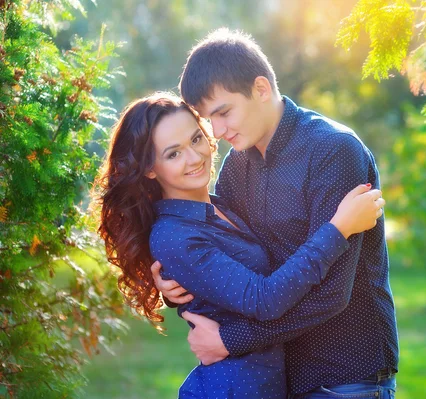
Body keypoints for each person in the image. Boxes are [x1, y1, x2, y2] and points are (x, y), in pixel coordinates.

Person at [153, 28, 399, 398]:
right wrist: (177, 284)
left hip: (344, 377)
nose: (216, 132)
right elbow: (233, 259)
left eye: (224, 112)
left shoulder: (334, 152)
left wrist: (230, 340)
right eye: (208, 119)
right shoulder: (238, 166)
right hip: (277, 378)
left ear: (261, 89)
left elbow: (333, 295)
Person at [95, 92, 385, 399]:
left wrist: (179, 288)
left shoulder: (222, 207)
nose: (194, 158)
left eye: (195, 139)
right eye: (173, 154)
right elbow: (263, 299)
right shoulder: (174, 235)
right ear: (150, 169)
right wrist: (338, 229)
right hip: (233, 388)